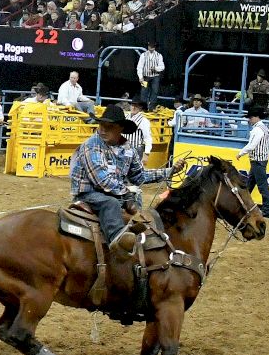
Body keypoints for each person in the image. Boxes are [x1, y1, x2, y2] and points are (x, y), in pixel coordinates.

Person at [70, 105, 186, 258]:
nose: (103, 130)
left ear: (120, 128)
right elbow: (102, 181)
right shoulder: (91, 146)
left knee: (134, 201)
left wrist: (170, 171)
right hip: (90, 193)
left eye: (109, 127)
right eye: (101, 126)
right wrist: (128, 192)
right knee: (110, 203)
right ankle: (118, 240)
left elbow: (140, 176)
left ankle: (136, 236)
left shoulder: (127, 148)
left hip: (117, 193)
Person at [236, 106, 269, 219]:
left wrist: (240, 153)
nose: (249, 119)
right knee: (249, 184)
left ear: (256, 117)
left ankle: (267, 209)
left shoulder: (257, 129)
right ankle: (242, 204)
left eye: (250, 117)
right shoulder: (265, 128)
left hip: (257, 160)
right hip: (260, 159)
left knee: (261, 185)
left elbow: (252, 145)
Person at [136, 41, 165, 110]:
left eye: (152, 47)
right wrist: (140, 77)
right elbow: (139, 67)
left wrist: (155, 68)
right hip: (145, 77)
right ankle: (143, 107)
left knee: (155, 91)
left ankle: (152, 107)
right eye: (149, 46)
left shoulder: (159, 55)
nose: (151, 48)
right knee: (144, 91)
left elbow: (162, 67)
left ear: (154, 47)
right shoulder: (143, 55)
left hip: (155, 77)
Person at [125, 97, 153, 165]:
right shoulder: (125, 116)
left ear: (140, 108)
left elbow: (148, 138)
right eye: (132, 105)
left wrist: (146, 154)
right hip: (123, 148)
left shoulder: (144, 121)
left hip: (136, 149)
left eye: (136, 106)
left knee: (135, 171)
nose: (133, 108)